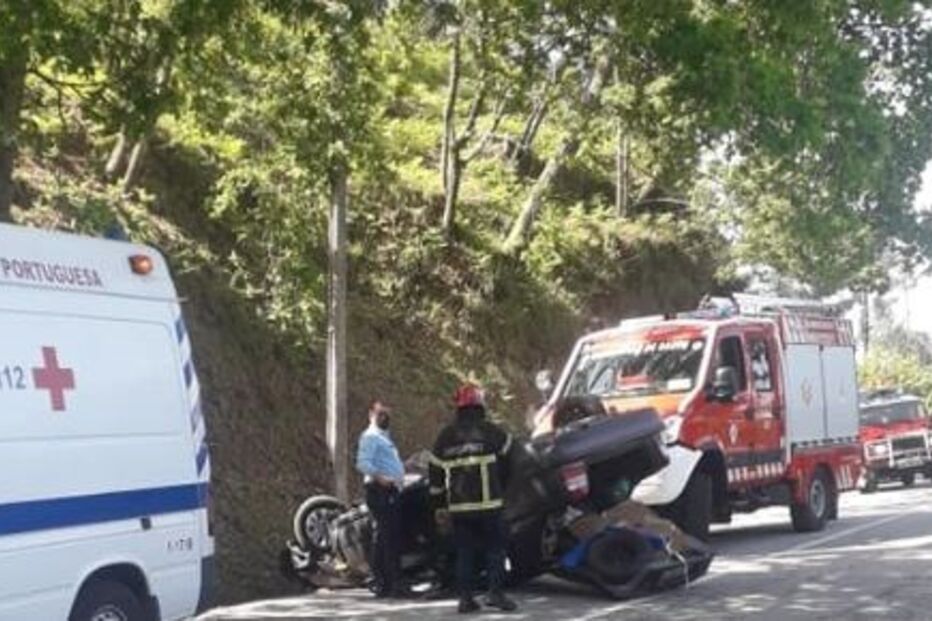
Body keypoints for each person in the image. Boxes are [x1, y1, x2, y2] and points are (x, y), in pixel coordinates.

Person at [429, 384, 518, 614]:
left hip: (460, 508)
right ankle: (495, 594)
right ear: (480, 405)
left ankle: (466, 599)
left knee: (465, 553)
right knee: (495, 550)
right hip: (490, 505)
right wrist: (502, 487)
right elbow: (512, 459)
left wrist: (439, 506)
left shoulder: (446, 436)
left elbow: (435, 473)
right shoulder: (492, 432)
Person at [356, 400, 407, 598]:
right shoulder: (370, 437)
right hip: (380, 491)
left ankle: (384, 582)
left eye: (387, 414)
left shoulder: (383, 437)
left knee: (386, 537)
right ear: (371, 414)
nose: (385, 418)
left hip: (390, 491)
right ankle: (392, 583)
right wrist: (382, 478)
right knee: (388, 538)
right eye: (380, 414)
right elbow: (362, 463)